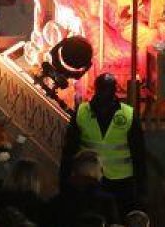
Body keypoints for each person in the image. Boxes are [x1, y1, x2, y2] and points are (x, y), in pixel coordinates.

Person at [61, 73, 145, 214]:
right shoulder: (81, 113)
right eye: (103, 89)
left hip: (121, 182)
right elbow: (69, 149)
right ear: (96, 89)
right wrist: (64, 179)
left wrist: (142, 186)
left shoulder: (128, 114)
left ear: (114, 90)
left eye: (108, 89)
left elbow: (139, 153)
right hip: (88, 181)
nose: (105, 93)